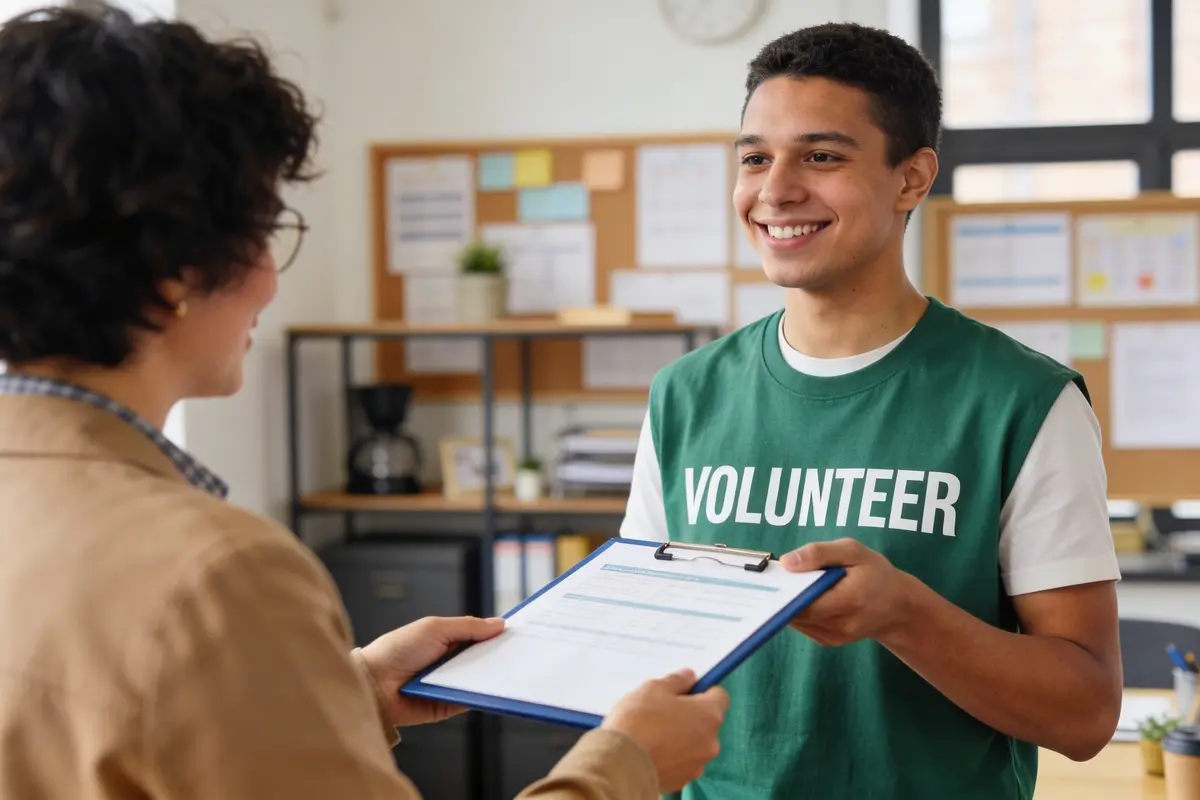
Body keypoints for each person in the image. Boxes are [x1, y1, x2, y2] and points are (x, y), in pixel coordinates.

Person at [0, 5, 729, 799]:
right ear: (175, 271)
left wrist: (351, 691)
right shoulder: (217, 574)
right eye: (265, 231)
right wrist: (626, 762)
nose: (273, 281)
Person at [620, 21, 1123, 800]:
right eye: (755, 157)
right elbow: (641, 650)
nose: (775, 189)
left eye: (821, 156)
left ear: (912, 179)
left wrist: (904, 614)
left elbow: (1087, 714)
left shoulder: (1023, 402)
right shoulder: (685, 394)